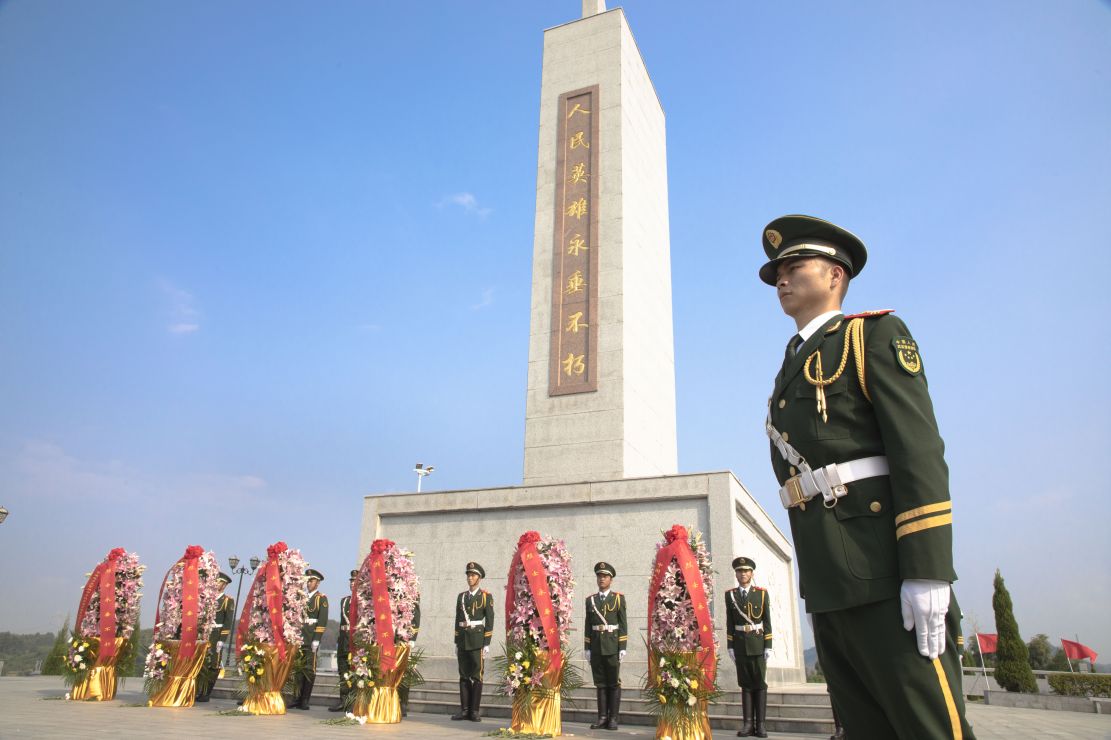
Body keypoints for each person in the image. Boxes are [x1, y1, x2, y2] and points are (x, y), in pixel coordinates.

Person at [759, 214, 974, 739]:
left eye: (794, 266)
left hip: (884, 573)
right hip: (830, 581)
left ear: (835, 274)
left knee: (926, 727)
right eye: (776, 271)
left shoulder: (871, 336)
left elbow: (918, 451)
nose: (781, 278)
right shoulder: (791, 363)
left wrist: (926, 569)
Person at [725, 557, 772, 737]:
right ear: (736, 574)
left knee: (759, 683)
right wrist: (730, 645)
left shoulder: (761, 593)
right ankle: (747, 725)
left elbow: (767, 621)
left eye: (746, 571)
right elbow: (730, 622)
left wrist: (768, 644)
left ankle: (760, 725)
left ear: (752, 573)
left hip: (758, 643)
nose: (742, 574)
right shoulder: (730, 595)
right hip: (740, 643)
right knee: (745, 684)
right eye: (739, 571)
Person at [583, 561, 627, 731]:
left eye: (605, 576)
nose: (602, 579)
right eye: (599, 576)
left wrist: (622, 646)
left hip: (612, 645)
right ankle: (602, 717)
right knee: (600, 683)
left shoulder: (618, 598)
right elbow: (588, 625)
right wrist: (587, 647)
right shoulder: (590, 600)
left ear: (611, 579)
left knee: (613, 682)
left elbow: (623, 624)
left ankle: (613, 719)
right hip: (596, 646)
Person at [451, 561, 493, 722]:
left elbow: (489, 620)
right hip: (462, 639)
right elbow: (457, 619)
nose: (470, 578)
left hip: (477, 640)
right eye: (468, 575)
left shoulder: (485, 596)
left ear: (479, 578)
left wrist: (487, 642)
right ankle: (464, 710)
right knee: (463, 675)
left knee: (476, 675)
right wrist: (456, 641)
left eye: (473, 575)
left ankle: (474, 711)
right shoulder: (461, 597)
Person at [194, 571, 234, 703]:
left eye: (220, 582)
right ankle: (198, 691)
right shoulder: (208, 598)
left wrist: (222, 640)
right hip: (204, 633)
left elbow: (228, 621)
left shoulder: (227, 600)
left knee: (213, 664)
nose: (217, 584)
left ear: (225, 585)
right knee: (201, 663)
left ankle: (206, 693)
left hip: (216, 634)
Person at [292, 568, 328, 710]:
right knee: (297, 670)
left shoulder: (321, 598)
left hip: (311, 637)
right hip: (300, 637)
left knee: (309, 670)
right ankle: (296, 697)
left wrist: (316, 639)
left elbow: (322, 620)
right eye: (308, 580)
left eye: (312, 581)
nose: (309, 583)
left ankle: (305, 700)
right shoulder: (301, 597)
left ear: (317, 583)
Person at [328, 570, 357, 712]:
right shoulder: (344, 600)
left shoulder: (364, 601)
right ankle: (343, 700)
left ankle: (354, 701)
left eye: (355, 581)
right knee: (343, 671)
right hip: (344, 639)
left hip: (356, 641)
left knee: (356, 672)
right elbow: (342, 623)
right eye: (351, 581)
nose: (352, 584)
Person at [398, 595, 420, 717]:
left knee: (405, 672)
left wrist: (412, 638)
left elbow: (416, 616)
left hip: (405, 639)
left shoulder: (410, 592)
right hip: (391, 637)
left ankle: (403, 702)